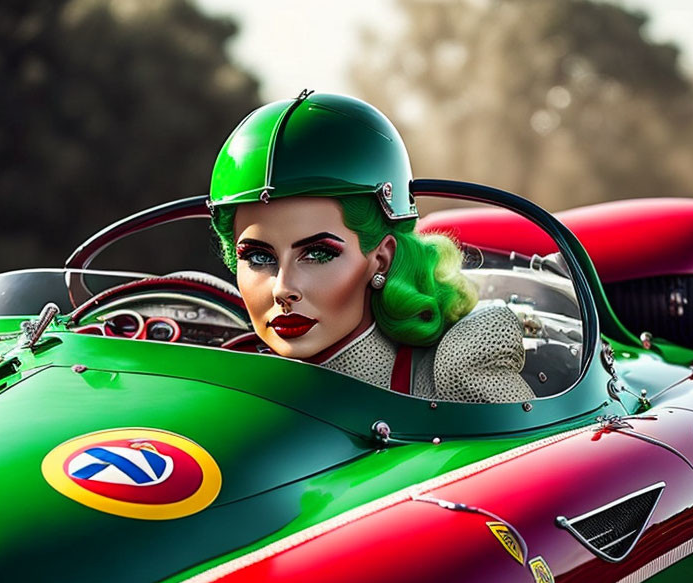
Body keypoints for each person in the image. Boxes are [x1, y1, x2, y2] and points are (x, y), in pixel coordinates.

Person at [208, 91, 533, 404]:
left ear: (381, 259)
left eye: (318, 253)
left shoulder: (454, 372)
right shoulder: (215, 377)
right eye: (258, 256)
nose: (283, 289)